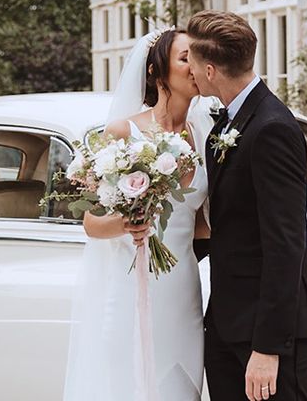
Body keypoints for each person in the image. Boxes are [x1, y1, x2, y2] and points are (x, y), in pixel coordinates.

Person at [62, 27, 212, 401]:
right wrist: (127, 222)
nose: (194, 66)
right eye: (184, 58)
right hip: (134, 289)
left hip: (184, 294)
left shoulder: (203, 133)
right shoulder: (122, 133)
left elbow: (198, 224)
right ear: (156, 72)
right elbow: (91, 224)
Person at [186, 10, 307, 401]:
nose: (190, 71)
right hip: (229, 322)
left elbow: (286, 244)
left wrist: (267, 349)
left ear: (210, 70)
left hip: (264, 335)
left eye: (192, 63)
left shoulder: (272, 127)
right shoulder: (228, 123)